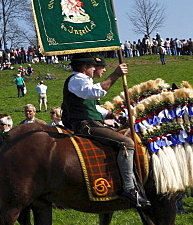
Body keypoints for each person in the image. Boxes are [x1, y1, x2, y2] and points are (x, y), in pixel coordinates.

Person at [62, 53, 149, 208]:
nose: (95, 69)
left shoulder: (83, 81)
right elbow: (94, 93)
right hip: (85, 124)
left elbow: (92, 106)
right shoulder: (76, 80)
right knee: (126, 143)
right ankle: (129, 189)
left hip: (92, 120)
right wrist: (115, 74)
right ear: (84, 68)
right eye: (92, 66)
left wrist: (111, 114)